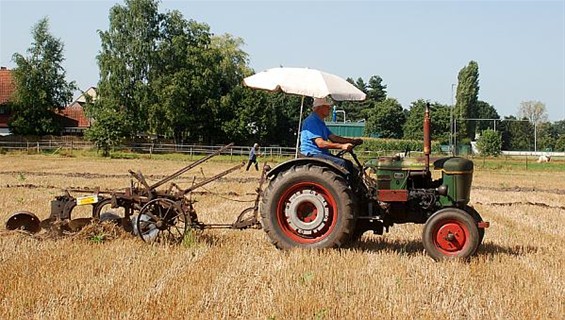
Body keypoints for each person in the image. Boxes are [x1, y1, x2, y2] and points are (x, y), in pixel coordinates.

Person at [300, 97, 363, 172]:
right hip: (312, 154)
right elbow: (320, 143)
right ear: (320, 107)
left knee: (349, 164)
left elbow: (333, 138)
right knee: (342, 164)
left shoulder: (320, 122)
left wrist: (353, 141)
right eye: (327, 107)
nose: (330, 109)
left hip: (320, 153)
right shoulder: (312, 121)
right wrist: (342, 146)